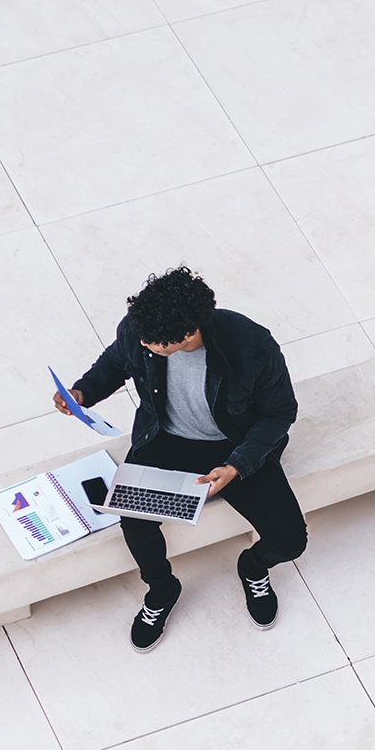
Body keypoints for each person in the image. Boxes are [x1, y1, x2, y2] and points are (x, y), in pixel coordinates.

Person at [54, 266, 307, 652]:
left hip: (234, 447)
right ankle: (162, 588)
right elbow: (115, 362)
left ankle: (253, 567)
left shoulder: (251, 345)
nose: (141, 343)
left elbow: (279, 413)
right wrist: (82, 393)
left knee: (290, 541)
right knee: (133, 516)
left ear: (187, 333)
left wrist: (236, 466)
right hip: (164, 440)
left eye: (151, 342)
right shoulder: (142, 330)